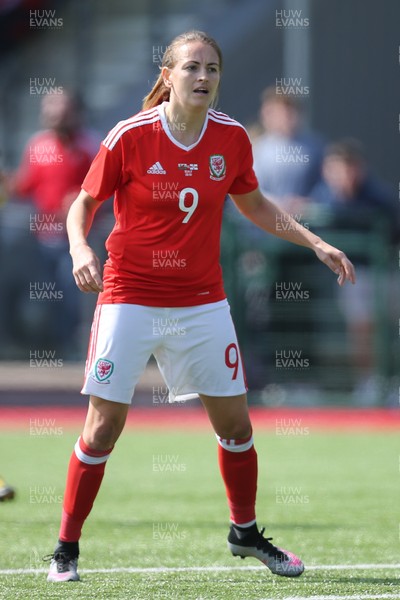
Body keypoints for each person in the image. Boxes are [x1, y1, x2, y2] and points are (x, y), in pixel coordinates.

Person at [46, 30, 355, 583]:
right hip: (130, 295)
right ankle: (66, 547)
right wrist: (79, 246)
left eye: (212, 69)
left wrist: (316, 242)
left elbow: (255, 205)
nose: (203, 78)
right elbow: (84, 203)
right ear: (168, 76)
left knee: (236, 424)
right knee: (102, 428)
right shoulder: (131, 136)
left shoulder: (232, 138)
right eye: (191, 67)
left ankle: (245, 532)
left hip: (201, 301)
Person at [1, 91, 99, 356]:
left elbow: (105, 190)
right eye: (50, 110)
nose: (54, 116)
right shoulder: (38, 145)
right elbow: (25, 186)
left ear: (76, 114)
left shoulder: (91, 146)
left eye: (62, 110)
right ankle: (41, 349)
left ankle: (74, 351)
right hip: (41, 238)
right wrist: (8, 183)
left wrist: (81, 201)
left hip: (78, 239)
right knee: (41, 296)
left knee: (72, 294)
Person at [310, 139, 396, 398]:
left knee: (387, 329)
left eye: (350, 167)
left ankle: (391, 386)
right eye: (338, 168)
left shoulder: (380, 198)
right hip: (354, 278)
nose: (345, 174)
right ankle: (368, 385)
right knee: (362, 329)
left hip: (387, 274)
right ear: (327, 170)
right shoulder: (319, 199)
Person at [252, 86, 324, 207]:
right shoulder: (257, 147)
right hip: (265, 220)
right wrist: (278, 203)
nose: (287, 117)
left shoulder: (315, 146)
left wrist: (308, 201)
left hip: (307, 221)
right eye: (282, 112)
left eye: (291, 112)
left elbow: (325, 185)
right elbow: (250, 188)